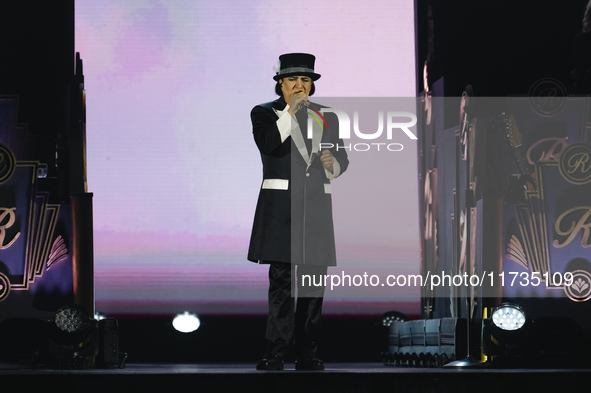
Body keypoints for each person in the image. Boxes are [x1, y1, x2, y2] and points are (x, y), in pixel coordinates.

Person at [248, 53, 348, 371]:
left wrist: (336, 165)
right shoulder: (264, 113)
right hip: (279, 209)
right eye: (292, 80)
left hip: (316, 207)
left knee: (313, 284)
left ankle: (308, 352)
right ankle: (275, 351)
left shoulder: (328, 116)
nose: (299, 85)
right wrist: (292, 112)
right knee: (280, 282)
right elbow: (269, 144)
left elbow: (341, 157)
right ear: (280, 83)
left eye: (305, 80)